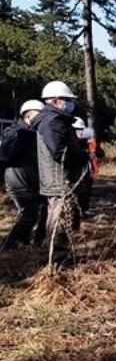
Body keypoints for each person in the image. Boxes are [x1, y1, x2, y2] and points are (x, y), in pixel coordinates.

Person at [32, 81, 88, 266]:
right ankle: (59, 263)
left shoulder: (54, 120)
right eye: (67, 100)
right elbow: (60, 152)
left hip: (59, 179)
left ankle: (60, 258)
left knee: (60, 220)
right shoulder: (53, 122)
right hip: (60, 180)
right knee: (61, 222)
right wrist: (81, 155)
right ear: (55, 101)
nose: (70, 103)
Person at [0, 100, 47, 249]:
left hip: (29, 182)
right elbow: (3, 157)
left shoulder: (31, 133)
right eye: (39, 115)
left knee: (36, 212)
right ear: (28, 115)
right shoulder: (17, 133)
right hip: (19, 182)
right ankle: (10, 244)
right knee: (29, 214)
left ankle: (23, 243)